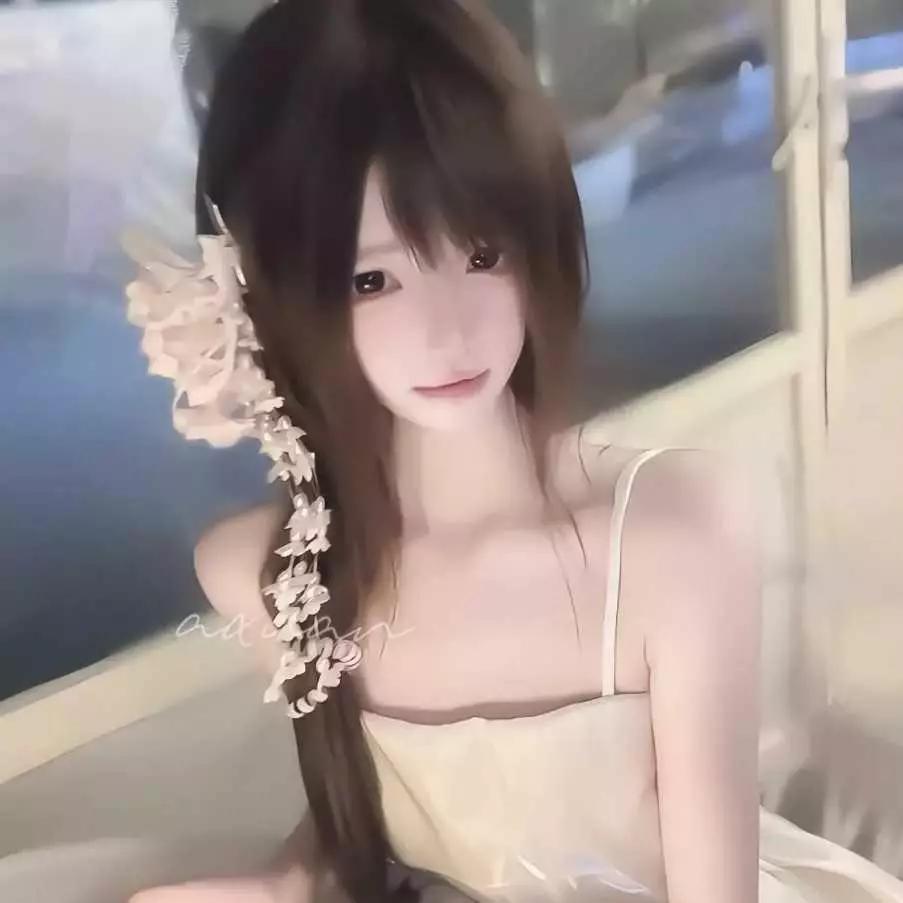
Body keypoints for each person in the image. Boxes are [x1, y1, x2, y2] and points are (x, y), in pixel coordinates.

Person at [124, 1, 903, 901]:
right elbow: (366, 808)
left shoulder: (674, 535)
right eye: (371, 278)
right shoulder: (264, 574)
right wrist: (286, 881)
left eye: (483, 253)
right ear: (263, 292)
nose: (447, 331)